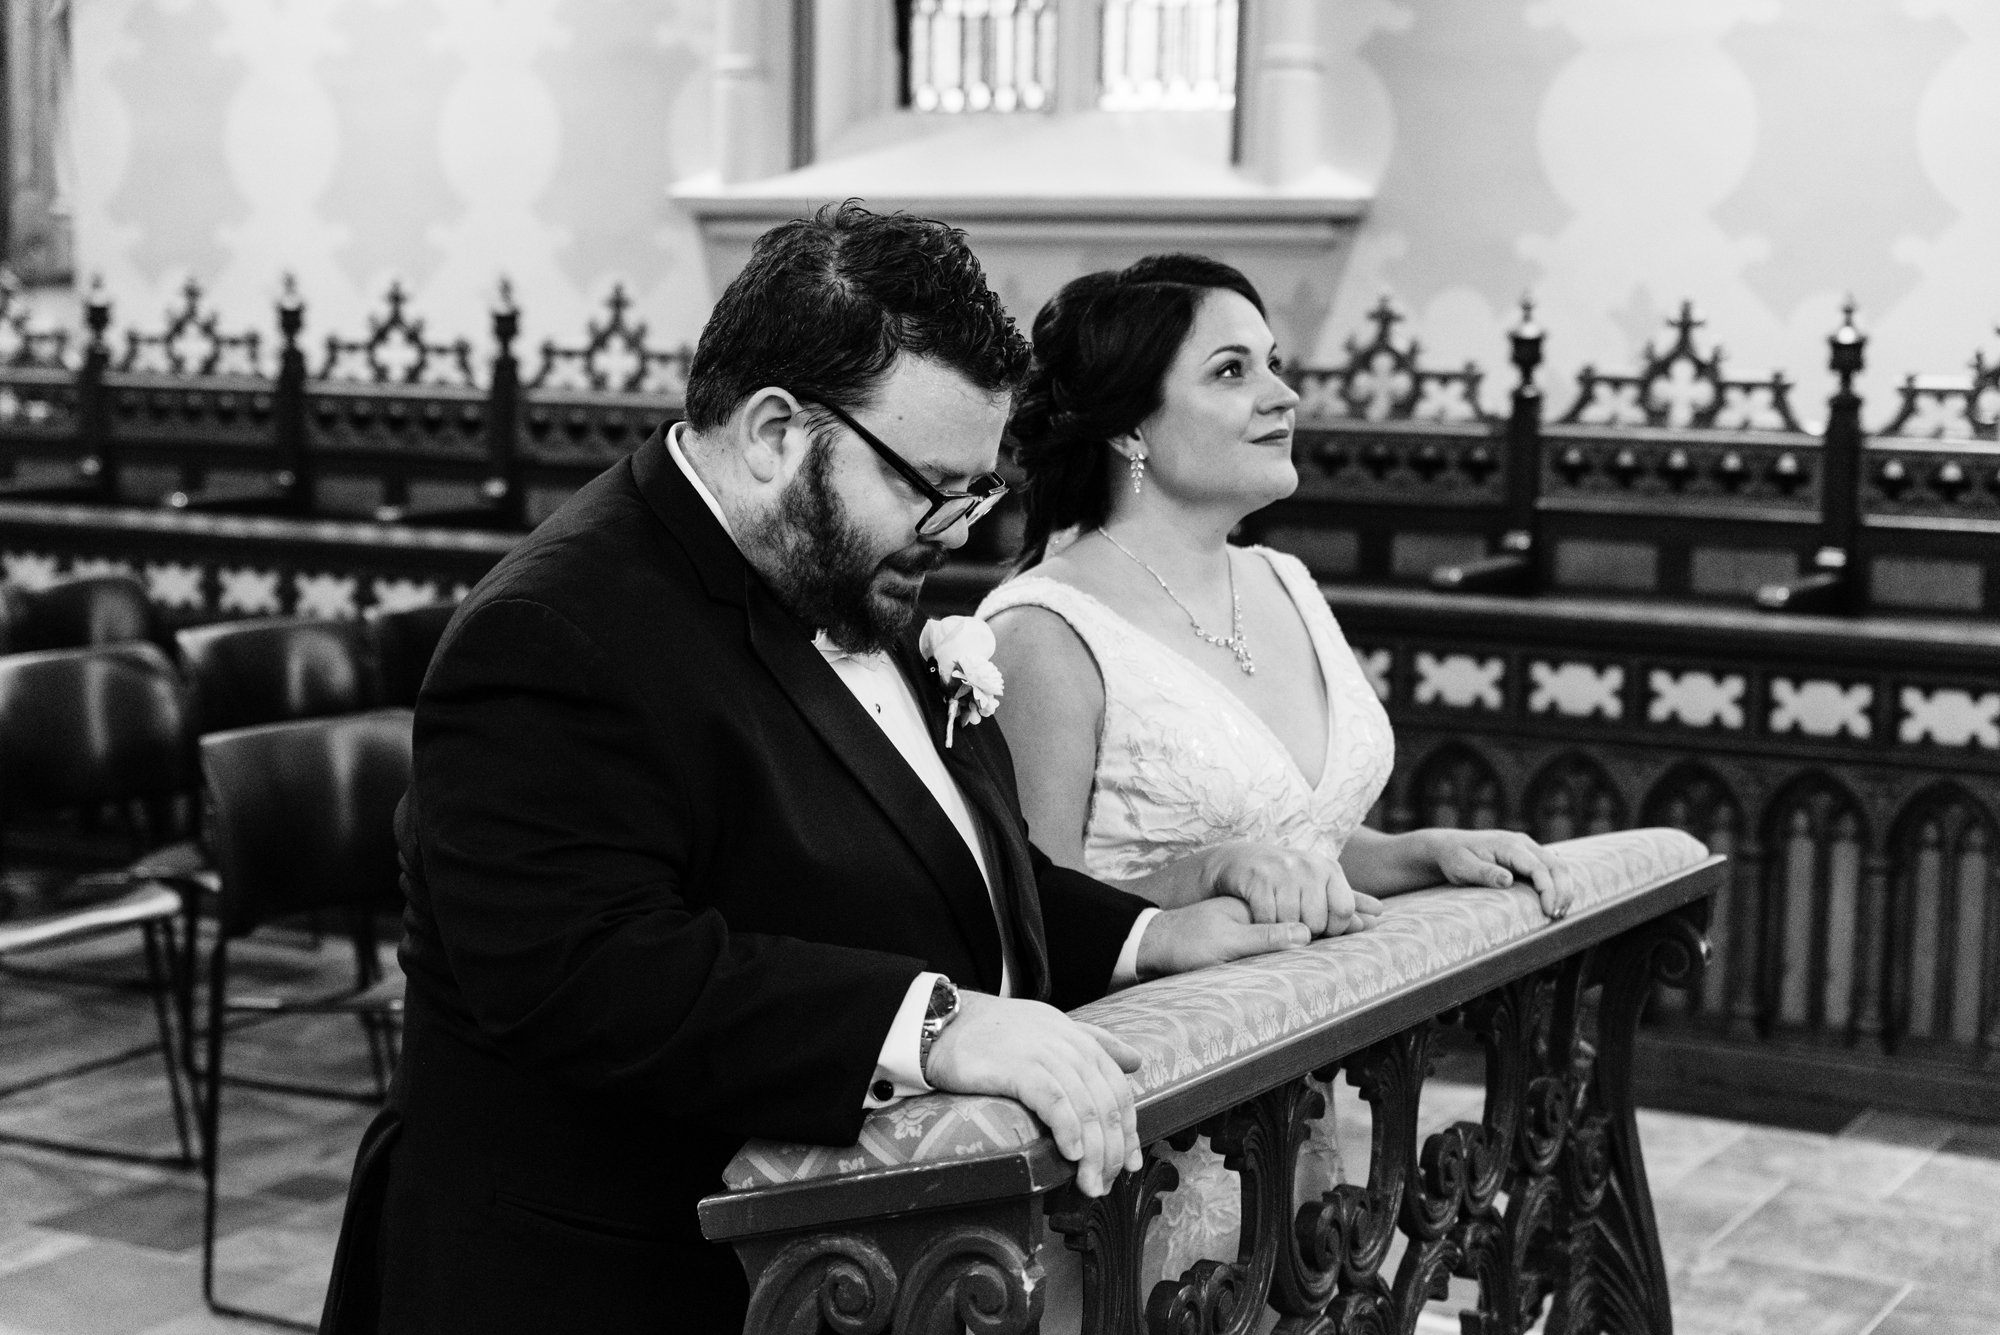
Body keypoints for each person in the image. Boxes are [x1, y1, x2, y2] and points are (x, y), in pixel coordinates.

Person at [318, 209, 1356, 1335]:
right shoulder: (555, 632)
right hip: (595, 1275)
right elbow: (581, 968)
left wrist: (1143, 936)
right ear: (773, 432)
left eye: (976, 494)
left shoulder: (836, 569)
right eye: (930, 485)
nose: (955, 530)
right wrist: (934, 1024)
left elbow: (927, 858)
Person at [979, 255, 1578, 1294]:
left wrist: (1414, 853)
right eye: (1229, 371)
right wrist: (1198, 872)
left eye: (1273, 363)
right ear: (1128, 425)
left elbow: (1290, 839)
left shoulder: (1280, 581)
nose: (1281, 394)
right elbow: (1024, 918)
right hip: (1143, 1141)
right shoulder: (1043, 631)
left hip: (1297, 1096)